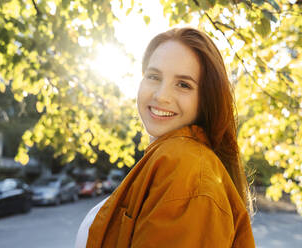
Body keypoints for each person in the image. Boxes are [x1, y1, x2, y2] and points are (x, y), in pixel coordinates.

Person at [75, 27, 255, 248]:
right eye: (153, 76)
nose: (161, 95)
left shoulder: (188, 170)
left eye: (183, 84)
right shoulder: (166, 161)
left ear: (206, 99)